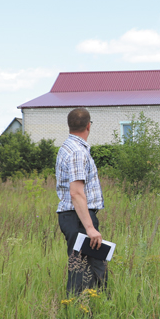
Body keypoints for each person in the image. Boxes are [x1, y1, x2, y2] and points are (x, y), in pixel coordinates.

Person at [56, 107, 107, 295]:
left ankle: (95, 309)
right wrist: (90, 228)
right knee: (82, 271)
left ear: (69, 126)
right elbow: (76, 193)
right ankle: (79, 314)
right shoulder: (78, 152)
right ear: (88, 126)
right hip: (78, 218)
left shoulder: (67, 147)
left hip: (76, 217)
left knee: (95, 268)